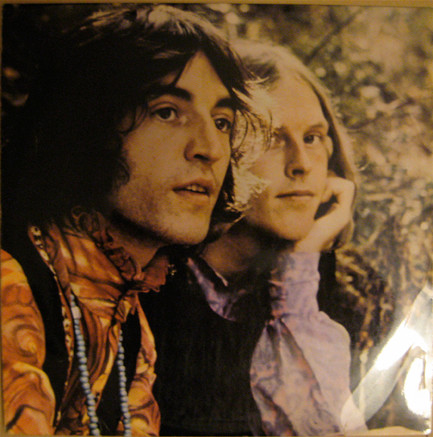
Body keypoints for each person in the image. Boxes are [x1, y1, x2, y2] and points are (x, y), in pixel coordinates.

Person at [0, 6, 265, 435]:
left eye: (222, 122)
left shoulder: (130, 321)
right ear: (86, 124)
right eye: (167, 112)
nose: (211, 148)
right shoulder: (11, 280)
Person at [142, 40, 394, 436]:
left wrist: (299, 268)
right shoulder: (154, 286)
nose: (302, 164)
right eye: (274, 139)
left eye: (313, 137)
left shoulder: (324, 285)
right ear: (222, 150)